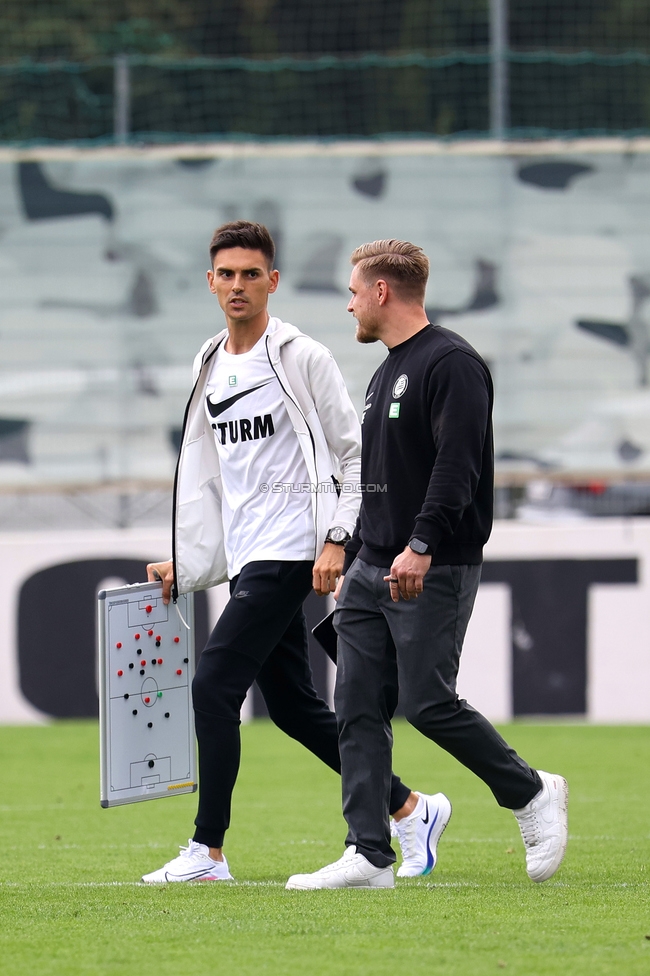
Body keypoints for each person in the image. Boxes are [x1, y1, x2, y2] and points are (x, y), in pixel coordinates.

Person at [141, 222, 445, 884]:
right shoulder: (208, 363)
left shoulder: (302, 356)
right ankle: (409, 807)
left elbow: (354, 453)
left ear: (272, 281)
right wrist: (183, 558)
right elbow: (215, 478)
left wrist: (337, 536)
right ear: (211, 281)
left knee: (214, 684)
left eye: (252, 274)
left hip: (291, 552)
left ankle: (208, 850)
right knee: (295, 708)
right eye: (227, 273)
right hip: (249, 555)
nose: (239, 285)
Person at [286, 239, 569, 891]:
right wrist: (353, 548)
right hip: (371, 567)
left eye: (355, 290)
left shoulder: (452, 363)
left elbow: (457, 465)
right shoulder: (386, 370)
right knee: (355, 705)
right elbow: (384, 476)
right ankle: (369, 854)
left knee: (427, 702)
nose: (349, 302)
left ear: (382, 291)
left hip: (429, 564)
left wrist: (422, 544)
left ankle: (530, 791)